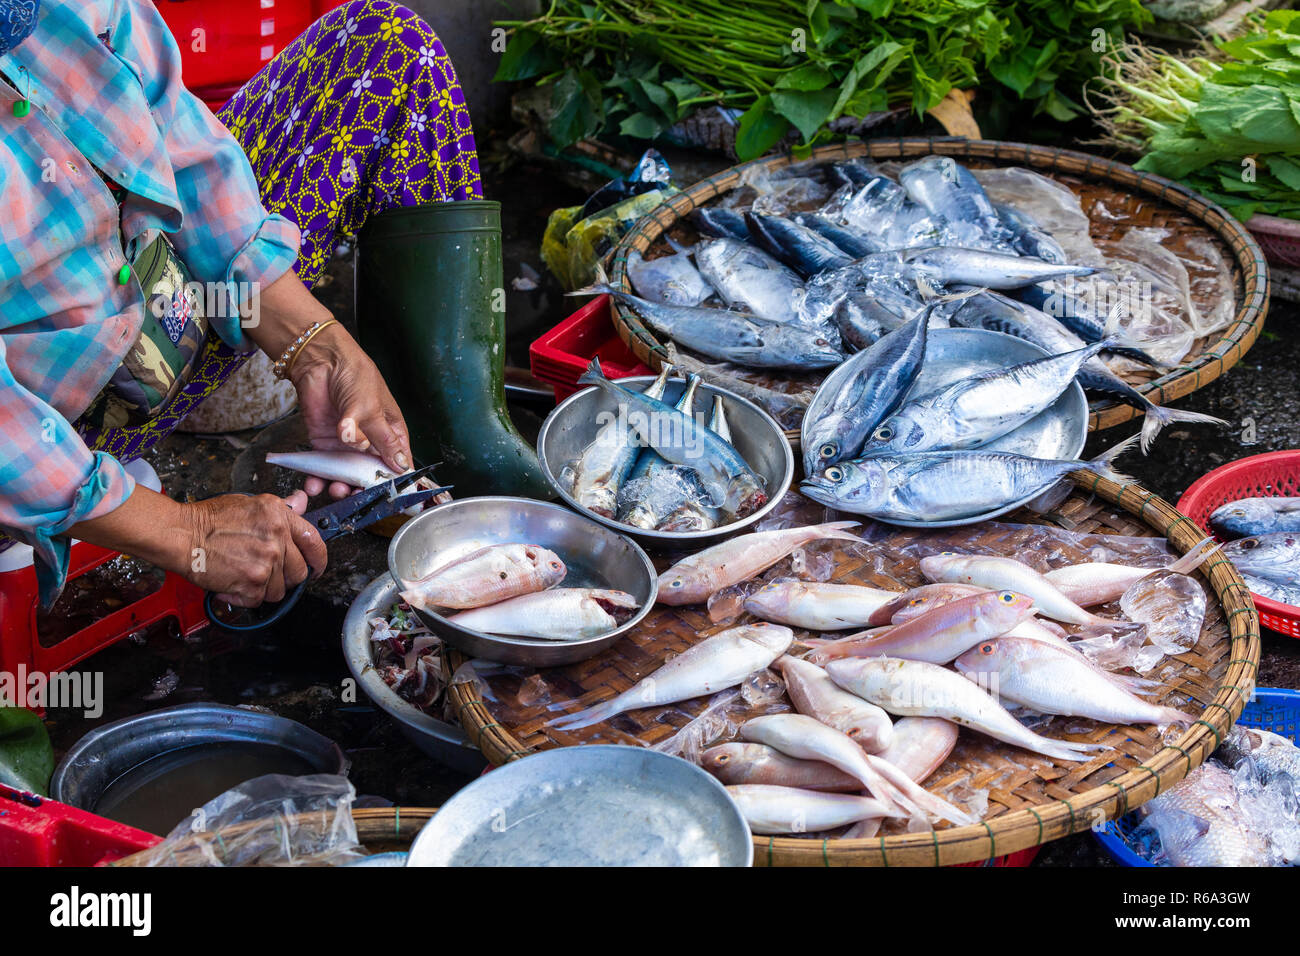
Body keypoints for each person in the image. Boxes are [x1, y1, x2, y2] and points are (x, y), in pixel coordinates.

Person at [0, 0, 545, 611]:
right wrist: (186, 533)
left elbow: (186, 154)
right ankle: (63, 512)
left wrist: (317, 345)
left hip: (148, 317)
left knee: (385, 46)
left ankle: (443, 449)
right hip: (34, 436)